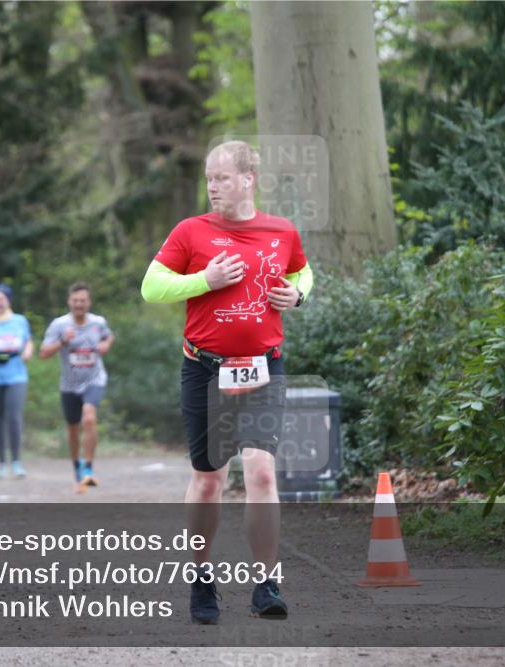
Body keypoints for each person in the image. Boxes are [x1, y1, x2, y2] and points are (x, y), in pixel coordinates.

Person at [141, 140, 314, 624]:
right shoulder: (190, 231)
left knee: (261, 472)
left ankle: (266, 583)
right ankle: (201, 579)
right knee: (210, 478)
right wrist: (205, 280)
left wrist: (296, 295)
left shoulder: (281, 231)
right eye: (209, 178)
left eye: (220, 177)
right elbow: (151, 287)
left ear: (247, 179)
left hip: (264, 365)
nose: (212, 187)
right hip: (205, 368)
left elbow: (304, 272)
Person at [39, 282, 114, 492]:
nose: (79, 304)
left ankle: (88, 469)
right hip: (69, 384)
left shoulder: (98, 322)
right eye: (75, 301)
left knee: (89, 417)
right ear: (69, 302)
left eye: (82, 301)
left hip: (94, 379)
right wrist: (63, 341)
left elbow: (108, 336)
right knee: (73, 429)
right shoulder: (59, 325)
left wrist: (106, 345)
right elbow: (43, 353)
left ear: (89, 302)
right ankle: (77, 469)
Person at [0, 284, 33, 479]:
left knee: (14, 416)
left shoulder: (20, 321)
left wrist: (27, 352)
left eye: (0, 299)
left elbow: (28, 341)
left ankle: (16, 462)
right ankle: (1, 462)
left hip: (16, 375)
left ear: (8, 300)